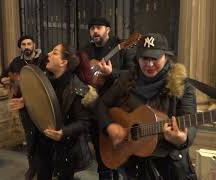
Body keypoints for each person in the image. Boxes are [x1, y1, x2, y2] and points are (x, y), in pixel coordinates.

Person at [96, 33, 197, 180]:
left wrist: (182, 139)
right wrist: (109, 126)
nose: (149, 64)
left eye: (155, 58)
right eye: (145, 58)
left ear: (165, 57)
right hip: (134, 165)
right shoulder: (127, 79)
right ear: (137, 58)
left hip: (169, 167)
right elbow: (101, 104)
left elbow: (190, 119)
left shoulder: (183, 86)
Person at [79, 17, 136, 180]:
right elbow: (79, 73)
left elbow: (132, 73)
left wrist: (112, 73)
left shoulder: (122, 47)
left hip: (118, 107)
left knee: (121, 148)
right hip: (94, 107)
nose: (95, 31)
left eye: (98, 27)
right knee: (101, 150)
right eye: (92, 28)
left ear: (108, 30)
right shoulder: (85, 51)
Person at [32, 43, 91, 180]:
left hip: (66, 149)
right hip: (44, 145)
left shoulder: (77, 88)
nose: (48, 55)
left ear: (63, 62)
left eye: (54, 53)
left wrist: (63, 133)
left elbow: (84, 123)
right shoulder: (46, 81)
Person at [0, 35, 46, 180]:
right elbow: (2, 76)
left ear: (34, 45)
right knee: (30, 137)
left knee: (44, 137)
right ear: (21, 47)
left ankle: (46, 166)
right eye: (24, 44)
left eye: (29, 44)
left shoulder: (42, 60)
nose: (26, 46)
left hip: (41, 104)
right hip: (22, 104)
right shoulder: (15, 62)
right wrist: (4, 80)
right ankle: (32, 167)